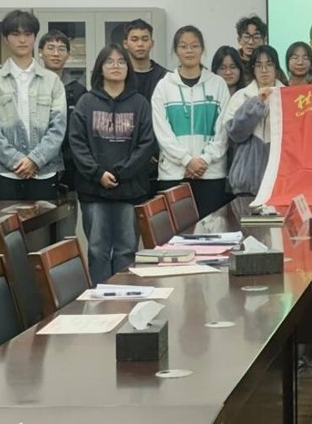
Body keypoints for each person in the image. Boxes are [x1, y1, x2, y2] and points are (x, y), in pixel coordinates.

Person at [69, 44, 156, 284]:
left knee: (126, 250)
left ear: (128, 68)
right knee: (97, 250)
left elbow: (147, 143)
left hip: (130, 190)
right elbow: (77, 143)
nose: (116, 66)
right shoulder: (86, 102)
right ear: (100, 68)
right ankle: (100, 300)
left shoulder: (140, 103)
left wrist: (121, 173)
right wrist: (98, 173)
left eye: (121, 62)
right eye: (109, 62)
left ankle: (126, 297)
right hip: (94, 191)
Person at [0, 10, 67, 201]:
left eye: (27, 34)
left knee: (43, 221)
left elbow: (58, 128)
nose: (22, 40)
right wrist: (16, 160)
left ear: (35, 38)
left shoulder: (52, 81)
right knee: (7, 221)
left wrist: (35, 160)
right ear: (5, 39)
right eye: (15, 34)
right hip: (7, 174)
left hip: (44, 173)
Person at [151, 26, 231, 218]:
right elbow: (162, 132)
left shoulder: (217, 84)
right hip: (174, 174)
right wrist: (186, 160)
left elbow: (224, 129)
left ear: (202, 49)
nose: (189, 51)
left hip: (211, 174)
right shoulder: (164, 86)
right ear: (176, 50)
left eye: (194, 46)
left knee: (212, 232)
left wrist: (205, 159)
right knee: (177, 234)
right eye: (184, 46)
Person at [38, 31, 88, 237]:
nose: (56, 53)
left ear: (68, 55)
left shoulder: (78, 90)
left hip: (69, 170)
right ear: (40, 52)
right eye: (50, 48)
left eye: (61, 49)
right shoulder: (31, 86)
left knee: (65, 232)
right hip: (37, 167)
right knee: (38, 232)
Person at [223, 45, 283, 197]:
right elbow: (235, 134)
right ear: (252, 69)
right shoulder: (241, 96)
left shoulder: (287, 96)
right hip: (246, 183)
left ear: (276, 68)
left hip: (280, 183)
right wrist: (257, 103)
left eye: (269, 64)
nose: (264, 70)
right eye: (258, 65)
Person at [122, 18, 168, 102]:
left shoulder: (165, 77)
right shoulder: (119, 75)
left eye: (145, 39)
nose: (140, 44)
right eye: (134, 40)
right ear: (125, 44)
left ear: (152, 43)